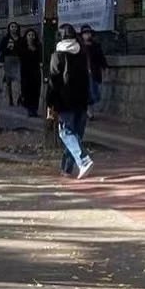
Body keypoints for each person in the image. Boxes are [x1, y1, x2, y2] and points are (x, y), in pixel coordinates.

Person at [48, 22, 94, 178]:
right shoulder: (81, 53)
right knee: (75, 135)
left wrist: (50, 104)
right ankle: (66, 169)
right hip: (81, 100)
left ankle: (83, 160)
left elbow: (54, 82)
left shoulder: (57, 55)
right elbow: (87, 78)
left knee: (66, 133)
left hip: (65, 101)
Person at [81, 24, 108, 116]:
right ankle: (89, 111)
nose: (87, 35)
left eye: (88, 33)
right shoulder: (79, 46)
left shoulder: (95, 45)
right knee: (87, 91)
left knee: (95, 92)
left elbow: (101, 57)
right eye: (85, 33)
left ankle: (89, 108)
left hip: (94, 72)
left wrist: (104, 67)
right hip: (83, 73)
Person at [18, 27, 44, 118]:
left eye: (33, 35)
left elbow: (41, 58)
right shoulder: (23, 47)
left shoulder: (38, 47)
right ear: (26, 36)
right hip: (26, 71)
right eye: (29, 35)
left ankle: (34, 109)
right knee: (27, 90)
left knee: (36, 90)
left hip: (36, 71)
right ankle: (29, 109)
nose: (31, 37)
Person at [0, 21, 23, 108]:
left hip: (18, 60)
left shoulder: (21, 39)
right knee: (8, 81)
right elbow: (0, 50)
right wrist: (7, 48)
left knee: (20, 80)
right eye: (12, 27)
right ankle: (10, 99)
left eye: (15, 27)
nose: (14, 28)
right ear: (9, 28)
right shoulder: (5, 39)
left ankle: (19, 98)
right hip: (8, 59)